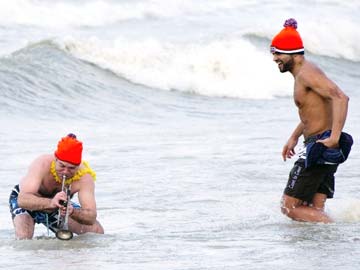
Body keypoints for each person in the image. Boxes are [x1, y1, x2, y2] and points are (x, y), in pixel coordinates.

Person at [270, 18, 353, 223]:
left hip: (320, 145)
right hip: (320, 144)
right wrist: (294, 137)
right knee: (313, 208)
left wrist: (334, 137)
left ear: (294, 54)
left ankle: (344, 232)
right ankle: (324, 249)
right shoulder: (303, 74)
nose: (274, 58)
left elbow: (341, 97)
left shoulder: (307, 74)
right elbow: (313, 112)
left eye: (278, 53)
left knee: (289, 207)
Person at [9, 133, 104, 239]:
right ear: (55, 160)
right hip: (28, 202)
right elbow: (22, 200)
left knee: (97, 232)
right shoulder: (42, 163)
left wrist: (73, 212)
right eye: (62, 166)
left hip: (57, 207)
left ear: (78, 166)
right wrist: (50, 202)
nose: (65, 172)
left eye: (71, 168)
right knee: (24, 239)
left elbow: (91, 217)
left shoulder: (84, 177)